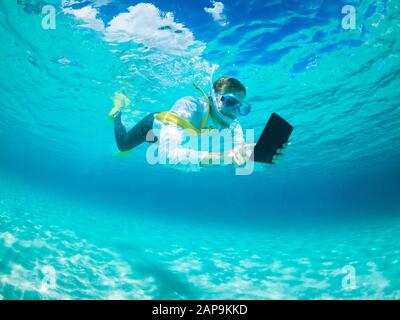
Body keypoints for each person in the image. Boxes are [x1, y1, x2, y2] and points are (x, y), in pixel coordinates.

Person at [109, 76, 287, 167]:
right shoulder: (189, 105)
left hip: (177, 136)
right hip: (153, 127)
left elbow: (239, 149)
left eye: (242, 108)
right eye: (231, 102)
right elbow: (168, 155)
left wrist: (256, 152)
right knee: (123, 146)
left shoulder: (233, 124)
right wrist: (223, 158)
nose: (235, 112)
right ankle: (117, 115)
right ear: (213, 98)